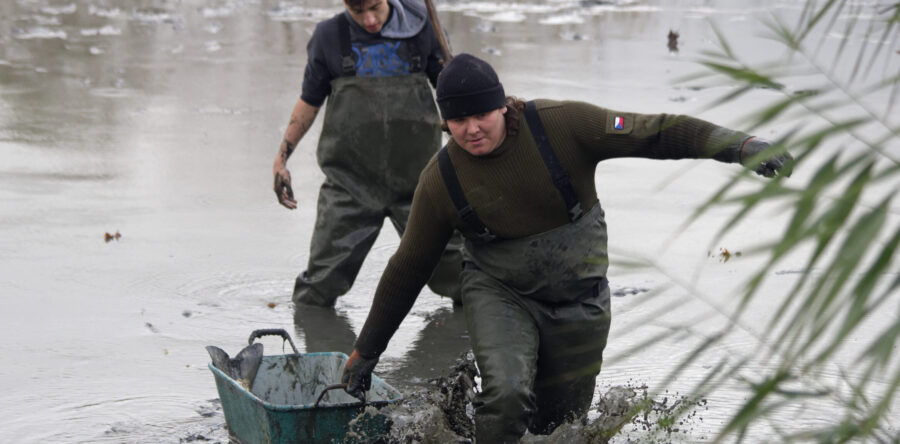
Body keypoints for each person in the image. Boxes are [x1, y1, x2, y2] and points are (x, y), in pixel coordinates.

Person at [341, 53, 793, 442]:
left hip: (581, 295)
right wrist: (367, 352)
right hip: (501, 293)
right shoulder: (441, 179)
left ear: (502, 104)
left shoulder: (563, 124)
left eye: (482, 115)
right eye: (458, 120)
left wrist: (739, 146)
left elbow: (652, 131)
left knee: (563, 426)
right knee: (507, 394)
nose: (472, 129)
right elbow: (408, 267)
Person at [272, 0, 463, 308]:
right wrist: (282, 157)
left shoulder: (422, 26)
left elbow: (450, 92)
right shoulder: (329, 36)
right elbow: (309, 100)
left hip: (421, 185)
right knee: (317, 291)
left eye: (375, 7)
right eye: (358, 11)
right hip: (350, 187)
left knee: (464, 280)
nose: (370, 19)